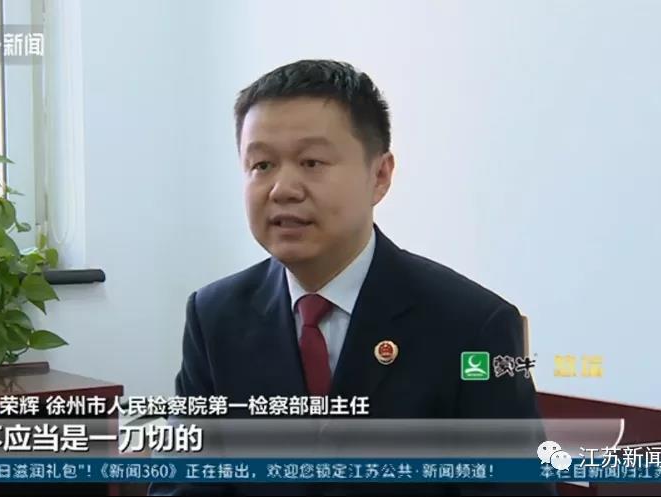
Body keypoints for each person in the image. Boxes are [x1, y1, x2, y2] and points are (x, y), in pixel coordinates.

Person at [151, 60, 554, 496]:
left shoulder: (473, 326)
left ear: (379, 176)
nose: (283, 189)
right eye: (262, 165)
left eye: (311, 162)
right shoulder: (214, 316)